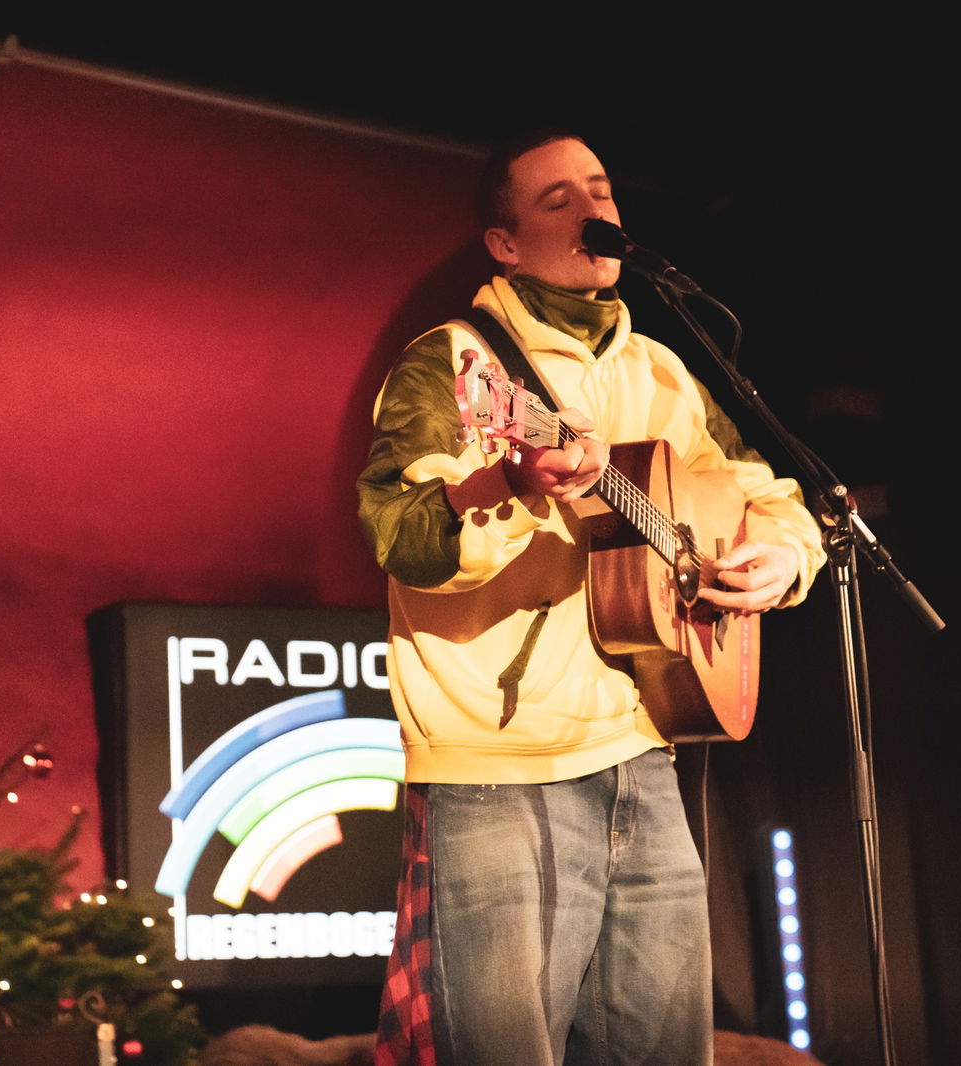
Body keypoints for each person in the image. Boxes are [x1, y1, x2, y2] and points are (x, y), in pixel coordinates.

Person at [357, 130, 828, 1065]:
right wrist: (512, 484)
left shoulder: (662, 370)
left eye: (602, 189)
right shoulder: (456, 363)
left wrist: (782, 554)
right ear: (504, 242)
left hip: (644, 744)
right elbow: (401, 534)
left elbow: (762, 489)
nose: (594, 210)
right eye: (557, 198)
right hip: (498, 768)